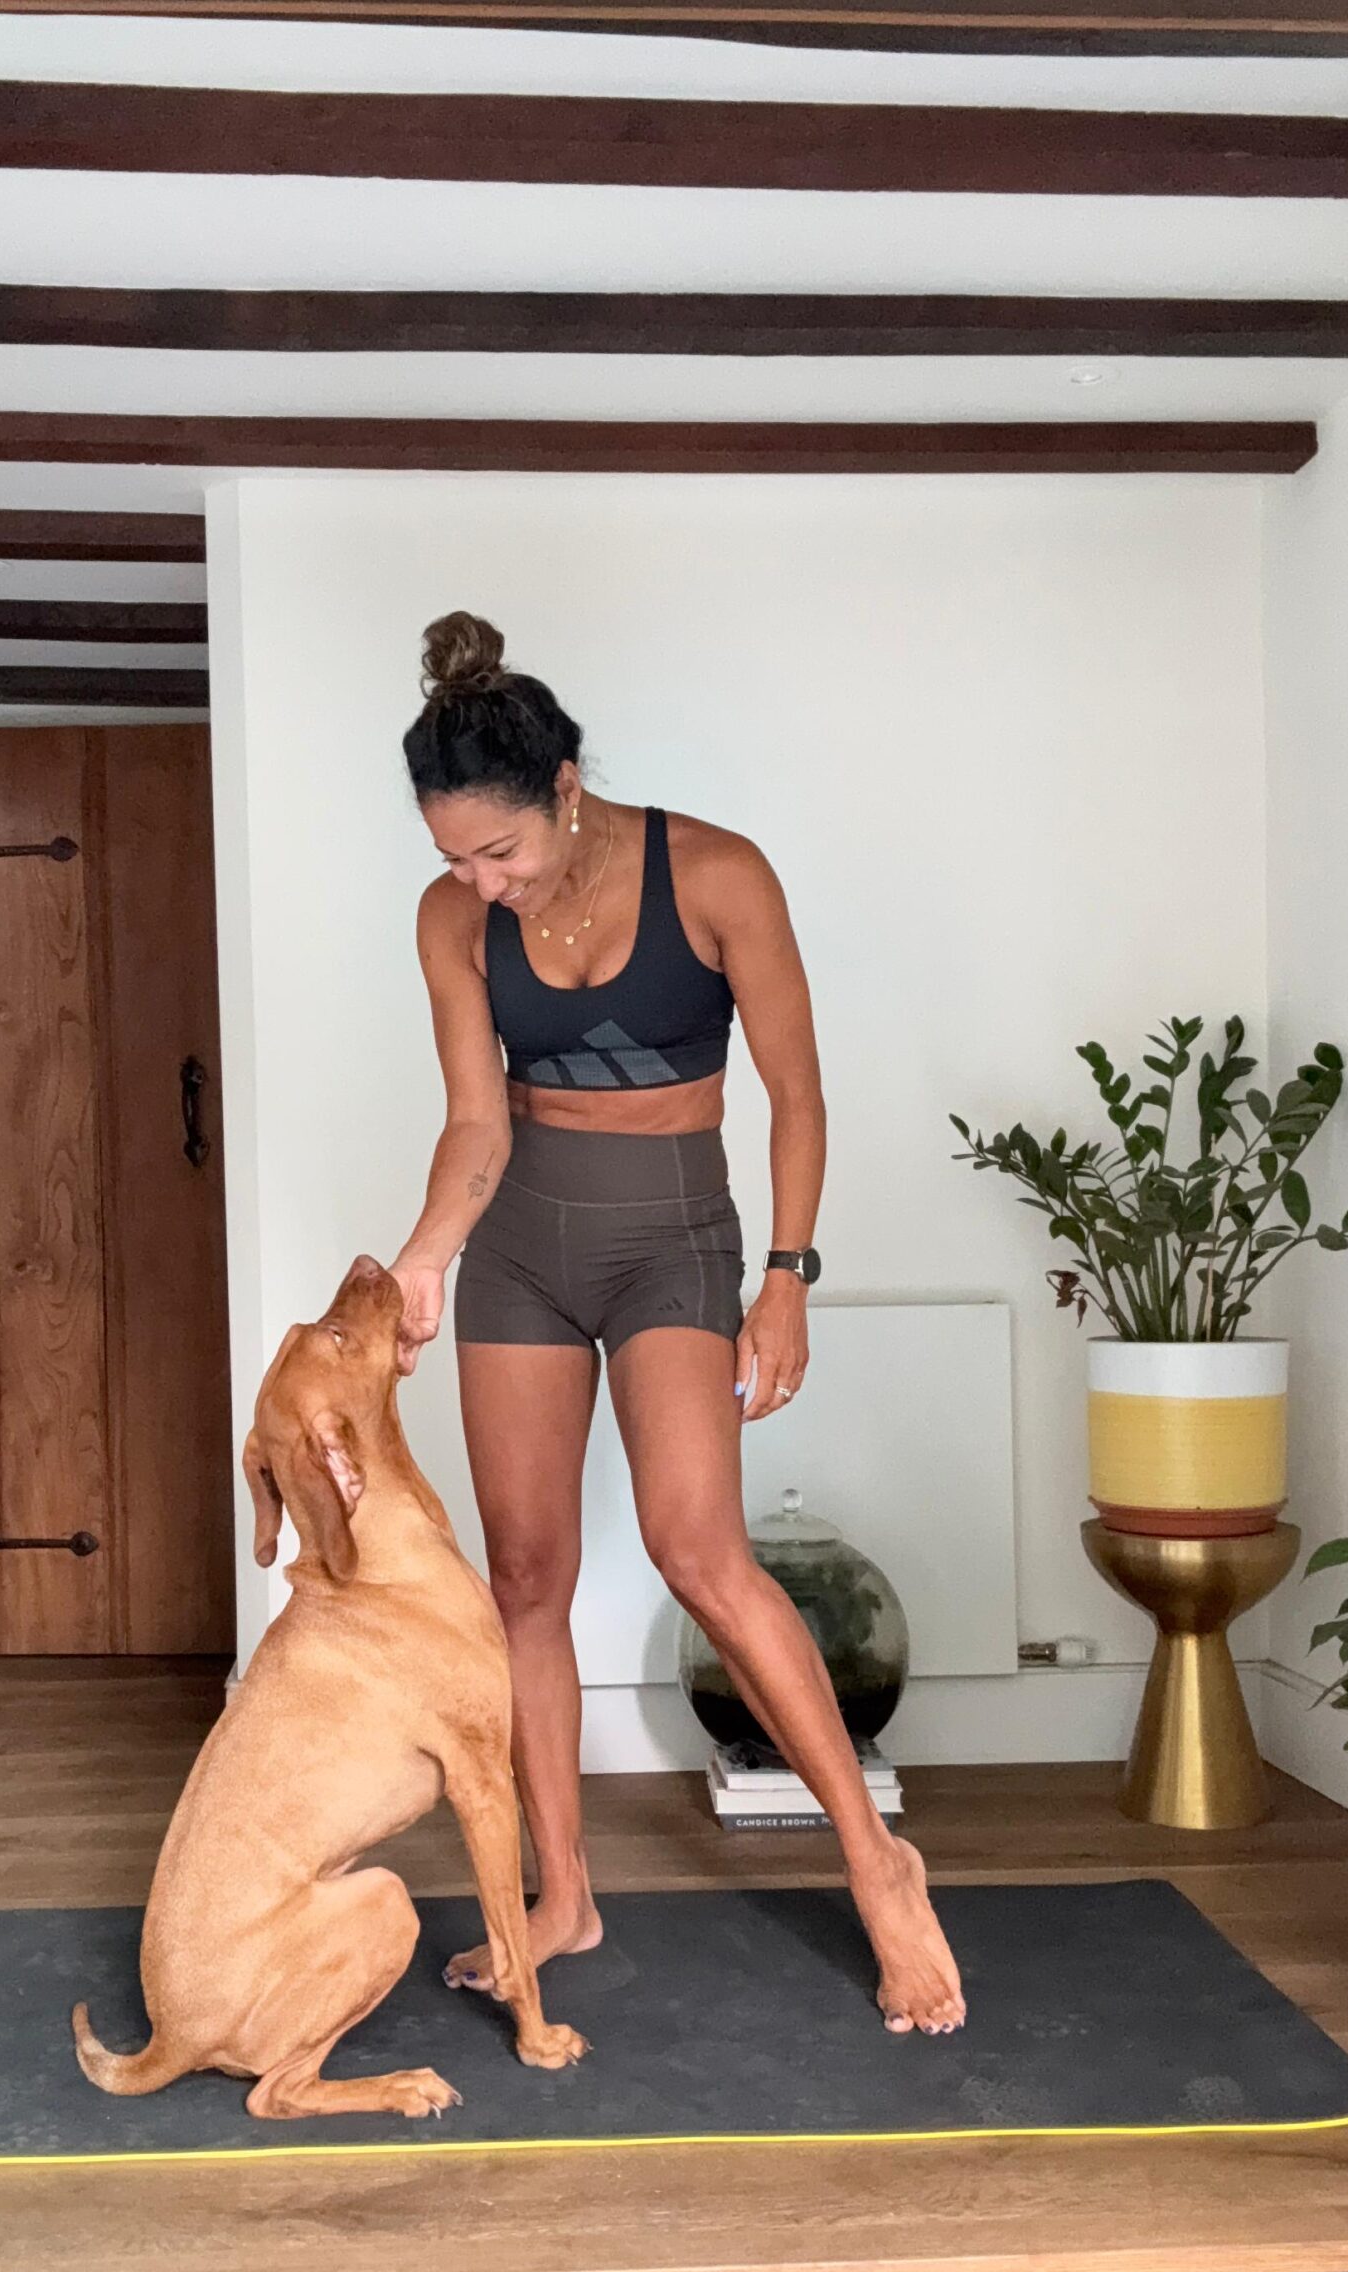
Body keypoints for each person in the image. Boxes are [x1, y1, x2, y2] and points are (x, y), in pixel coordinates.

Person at [388, 612, 964, 2038]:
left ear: (565, 786)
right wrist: (424, 1260)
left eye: (499, 853)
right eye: (455, 859)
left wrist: (788, 1275)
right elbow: (475, 1122)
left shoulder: (715, 874)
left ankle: (878, 1865)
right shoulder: (452, 919)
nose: (480, 884)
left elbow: (797, 1094)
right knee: (524, 1576)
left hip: (675, 1240)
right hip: (521, 1245)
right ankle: (563, 1896)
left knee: (698, 1551)